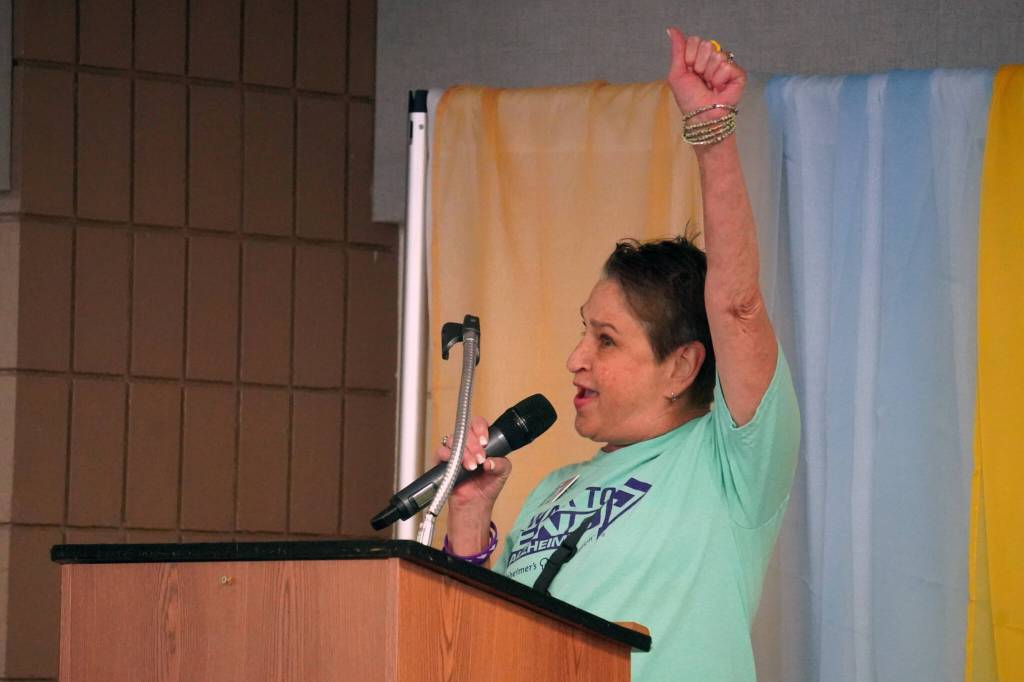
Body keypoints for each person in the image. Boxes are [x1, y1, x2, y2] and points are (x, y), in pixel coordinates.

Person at [438, 28, 800, 681]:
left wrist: (710, 130)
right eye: (584, 332)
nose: (576, 358)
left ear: (682, 365)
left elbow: (738, 307)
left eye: (606, 339)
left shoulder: (729, 462)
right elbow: (471, 646)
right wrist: (469, 515)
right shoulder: (552, 489)